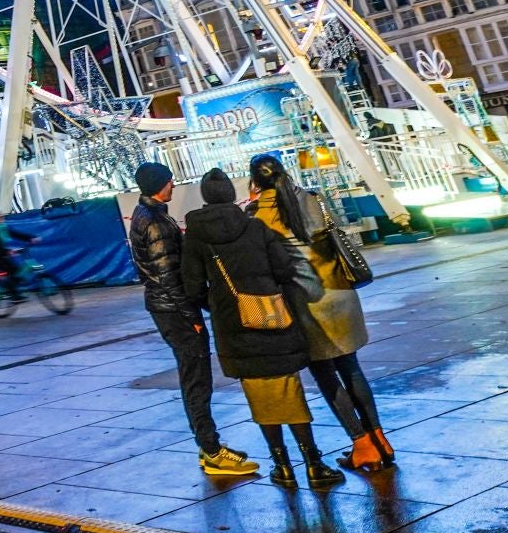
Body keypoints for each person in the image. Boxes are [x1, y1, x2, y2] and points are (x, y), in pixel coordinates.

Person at [180, 169, 344, 490]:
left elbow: (192, 285)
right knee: (289, 390)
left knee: (259, 395)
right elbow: (284, 269)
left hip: (234, 324)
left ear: (205, 197)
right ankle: (313, 464)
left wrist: (222, 305)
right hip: (273, 317)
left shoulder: (196, 237)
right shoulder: (255, 227)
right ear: (231, 195)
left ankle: (281, 466)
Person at [248, 153, 393, 472]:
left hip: (306, 305)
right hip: (340, 295)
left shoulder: (256, 214)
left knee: (326, 375)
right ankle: (380, 439)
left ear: (256, 181)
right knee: (352, 369)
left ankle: (362, 445)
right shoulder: (313, 198)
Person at [129, 162, 257, 477]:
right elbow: (168, 275)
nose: (173, 186)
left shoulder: (147, 214)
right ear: (160, 184)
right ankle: (212, 451)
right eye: (170, 182)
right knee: (196, 380)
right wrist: (192, 317)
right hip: (174, 311)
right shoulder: (155, 223)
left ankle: (209, 447)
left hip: (166, 308)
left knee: (195, 378)